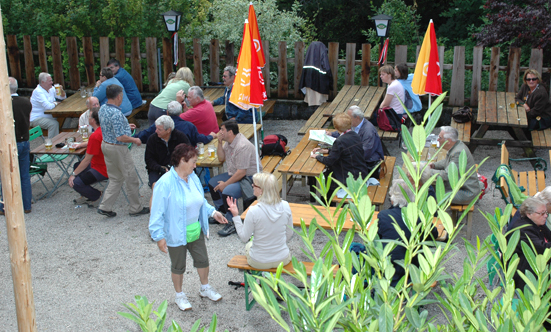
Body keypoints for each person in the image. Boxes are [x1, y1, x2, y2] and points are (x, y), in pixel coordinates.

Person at [149, 143, 227, 311]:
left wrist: (213, 213)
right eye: (192, 161)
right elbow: (156, 212)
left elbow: (200, 201)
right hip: (175, 233)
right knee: (178, 266)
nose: (195, 165)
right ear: (182, 161)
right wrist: (159, 237)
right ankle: (179, 295)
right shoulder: (165, 183)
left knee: (203, 260)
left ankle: (205, 288)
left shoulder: (193, 177)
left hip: (195, 229)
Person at [97, 85, 149, 218]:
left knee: (115, 178)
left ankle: (105, 206)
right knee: (131, 178)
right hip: (118, 148)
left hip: (106, 145)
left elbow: (111, 127)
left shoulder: (102, 108)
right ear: (119, 96)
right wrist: (134, 140)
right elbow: (120, 137)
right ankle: (135, 208)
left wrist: (125, 125)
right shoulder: (116, 113)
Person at [377, 179, 439, 287]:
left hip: (389, 267)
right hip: (414, 267)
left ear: (392, 198)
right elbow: (434, 235)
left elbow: (378, 239)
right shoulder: (419, 217)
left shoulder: (384, 216)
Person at [227, 172, 293, 269]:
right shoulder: (286, 206)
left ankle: (261, 278)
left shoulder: (253, 211)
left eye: (254, 184)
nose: (252, 185)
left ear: (261, 190)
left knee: (249, 245)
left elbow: (244, 237)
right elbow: (289, 233)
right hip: (282, 259)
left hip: (260, 261)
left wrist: (236, 216)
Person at [208, 120, 262, 237]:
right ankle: (222, 212)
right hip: (235, 174)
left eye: (222, 129)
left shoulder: (242, 146)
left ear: (230, 132)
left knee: (228, 191)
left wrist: (226, 184)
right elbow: (221, 158)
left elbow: (242, 172)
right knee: (212, 183)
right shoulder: (229, 141)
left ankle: (232, 221)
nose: (219, 132)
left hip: (249, 178)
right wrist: (219, 142)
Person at [311, 113, 369, 195]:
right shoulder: (355, 135)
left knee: (324, 177)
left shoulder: (339, 141)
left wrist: (317, 156)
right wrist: (326, 151)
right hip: (360, 173)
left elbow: (330, 161)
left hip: (348, 178)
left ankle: (327, 203)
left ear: (336, 127)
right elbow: (344, 151)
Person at [0, 77, 32, 215]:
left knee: (5, 175)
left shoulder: (5, 104)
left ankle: (4, 206)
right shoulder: (26, 102)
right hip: (24, 140)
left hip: (9, 142)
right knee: (24, 175)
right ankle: (26, 205)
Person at [506, 197, 551, 291]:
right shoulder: (523, 230)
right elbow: (543, 249)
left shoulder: (537, 223)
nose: (546, 216)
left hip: (534, 263)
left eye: (546, 213)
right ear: (529, 214)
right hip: (526, 274)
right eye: (542, 213)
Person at [145, 115, 190, 207]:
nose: (156, 131)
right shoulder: (152, 139)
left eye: (159, 129)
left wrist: (175, 167)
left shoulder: (180, 137)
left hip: (178, 168)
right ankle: (155, 213)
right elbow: (149, 160)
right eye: (156, 128)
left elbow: (187, 155)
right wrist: (159, 168)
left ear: (168, 130)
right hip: (157, 168)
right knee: (155, 186)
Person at [329, 106, 384, 178]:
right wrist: (332, 134)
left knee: (336, 165)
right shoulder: (354, 124)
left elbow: (365, 153)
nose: (347, 120)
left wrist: (345, 156)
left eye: (349, 117)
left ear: (357, 117)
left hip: (369, 162)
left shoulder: (368, 131)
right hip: (359, 156)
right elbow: (345, 131)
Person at [429, 126, 480, 204]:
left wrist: (427, 171)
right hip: (462, 187)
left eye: (440, 137)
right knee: (432, 189)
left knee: (433, 195)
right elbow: (447, 162)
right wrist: (433, 165)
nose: (438, 139)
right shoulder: (457, 145)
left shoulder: (458, 152)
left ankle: (436, 215)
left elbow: (447, 175)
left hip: (466, 192)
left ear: (448, 141)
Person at [68, 107, 108, 208]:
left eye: (89, 116)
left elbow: (86, 160)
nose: (88, 118)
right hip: (109, 164)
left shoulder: (95, 136)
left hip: (101, 169)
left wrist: (73, 175)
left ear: (93, 120)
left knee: (76, 182)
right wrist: (82, 145)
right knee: (77, 165)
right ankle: (86, 194)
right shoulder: (106, 129)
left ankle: (96, 195)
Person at [135, 101, 214, 147]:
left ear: (167, 112)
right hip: (184, 159)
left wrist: (132, 137)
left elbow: (145, 134)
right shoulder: (189, 126)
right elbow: (199, 139)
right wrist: (210, 136)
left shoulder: (160, 125)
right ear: (180, 112)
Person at [30, 72, 66, 138]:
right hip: (37, 118)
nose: (52, 82)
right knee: (53, 124)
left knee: (66, 117)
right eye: (50, 81)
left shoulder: (51, 88)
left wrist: (62, 91)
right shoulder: (38, 92)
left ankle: (64, 138)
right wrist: (55, 103)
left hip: (49, 115)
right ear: (43, 82)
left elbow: (62, 97)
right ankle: (53, 144)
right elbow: (48, 106)